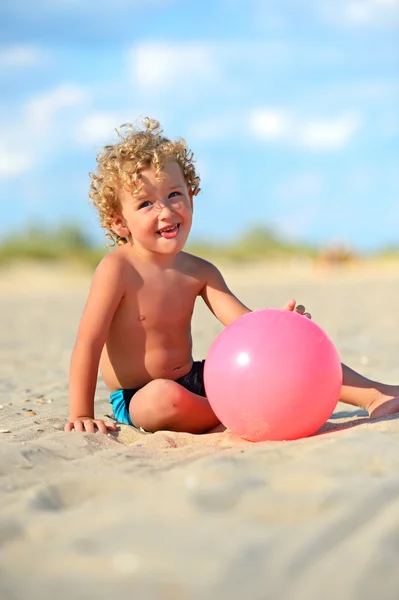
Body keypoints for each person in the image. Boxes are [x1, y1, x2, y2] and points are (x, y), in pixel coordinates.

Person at [65, 118, 399, 435]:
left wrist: (281, 328)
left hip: (198, 379)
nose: (166, 211)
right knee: (161, 399)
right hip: (138, 397)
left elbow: (246, 327)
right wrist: (81, 413)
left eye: (174, 195)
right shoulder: (117, 269)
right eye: (145, 204)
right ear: (119, 222)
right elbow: (88, 342)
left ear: (191, 196)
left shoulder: (200, 271)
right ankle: (235, 412)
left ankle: (376, 395)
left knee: (283, 349)